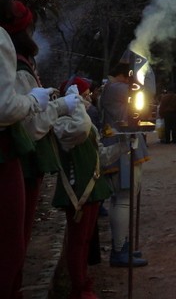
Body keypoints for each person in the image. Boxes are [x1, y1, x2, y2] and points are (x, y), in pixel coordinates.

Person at [4, 0, 76, 296]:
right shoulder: (19, 69)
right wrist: (57, 106)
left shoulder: (21, 65)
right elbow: (28, 124)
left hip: (23, 158)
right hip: (21, 160)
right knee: (13, 244)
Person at [52, 83, 114, 299]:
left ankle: (83, 282)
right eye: (83, 96)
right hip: (77, 190)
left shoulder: (86, 123)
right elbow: (81, 128)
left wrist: (124, 145)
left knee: (86, 240)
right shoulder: (64, 124)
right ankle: (78, 289)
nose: (88, 99)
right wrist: (74, 99)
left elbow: (100, 156)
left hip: (93, 188)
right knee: (78, 242)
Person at [99, 60, 150, 267]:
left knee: (121, 199)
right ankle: (119, 250)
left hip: (121, 142)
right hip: (121, 146)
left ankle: (122, 246)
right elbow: (145, 95)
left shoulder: (112, 87)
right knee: (122, 198)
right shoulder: (117, 87)